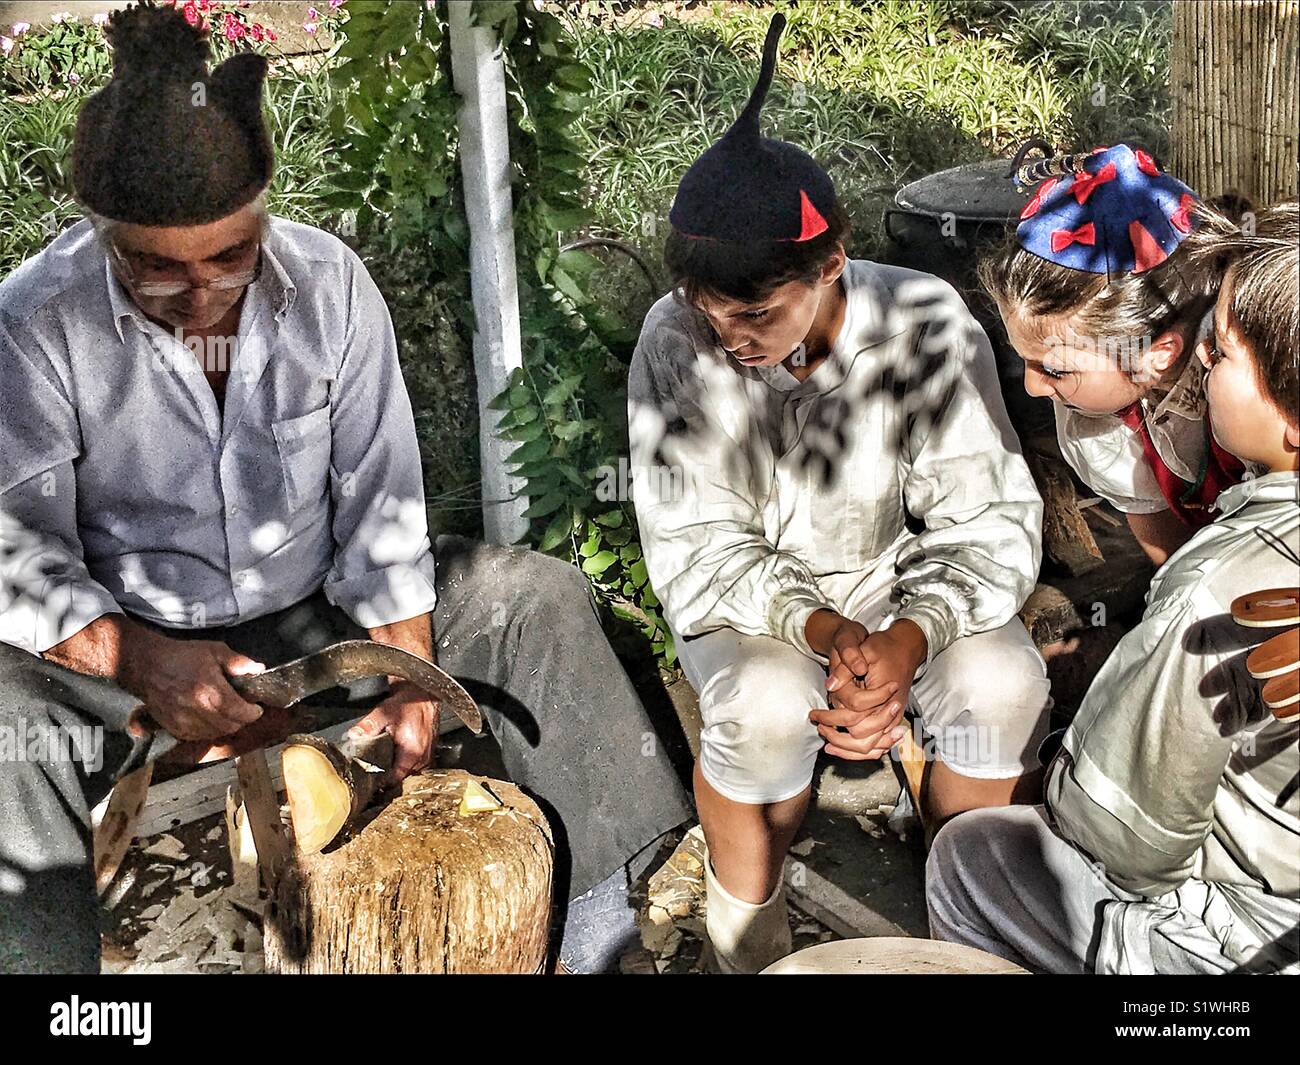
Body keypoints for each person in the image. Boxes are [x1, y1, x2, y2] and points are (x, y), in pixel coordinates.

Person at [0, 2, 691, 975]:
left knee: (535, 600)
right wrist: (137, 657)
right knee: (4, 725)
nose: (200, 298)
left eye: (229, 258)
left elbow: (383, 510)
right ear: (100, 235)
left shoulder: (329, 286)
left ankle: (595, 943)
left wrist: (408, 666)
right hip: (130, 646)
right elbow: (15, 552)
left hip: (311, 621)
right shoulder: (33, 321)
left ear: (264, 214)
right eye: (155, 270)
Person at [627, 14, 1050, 973]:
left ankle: (966, 933)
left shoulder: (925, 322)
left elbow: (985, 521)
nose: (728, 336)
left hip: (903, 585)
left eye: (755, 313)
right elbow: (699, 544)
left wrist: (908, 637)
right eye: (707, 309)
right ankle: (748, 936)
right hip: (750, 603)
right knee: (767, 704)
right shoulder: (672, 340)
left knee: (1004, 684)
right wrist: (823, 632)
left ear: (832, 263)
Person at [927, 201, 1300, 974]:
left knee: (972, 857)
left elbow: (1123, 833)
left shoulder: (1221, 588)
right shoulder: (1194, 530)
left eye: (1221, 352)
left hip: (1261, 931)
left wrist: (1104, 733)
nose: (1205, 359)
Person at [981, 143, 1244, 567]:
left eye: (1053, 369)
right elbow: (1169, 553)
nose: (1032, 387)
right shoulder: (1098, 417)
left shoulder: (1260, 391)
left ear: (1157, 354)